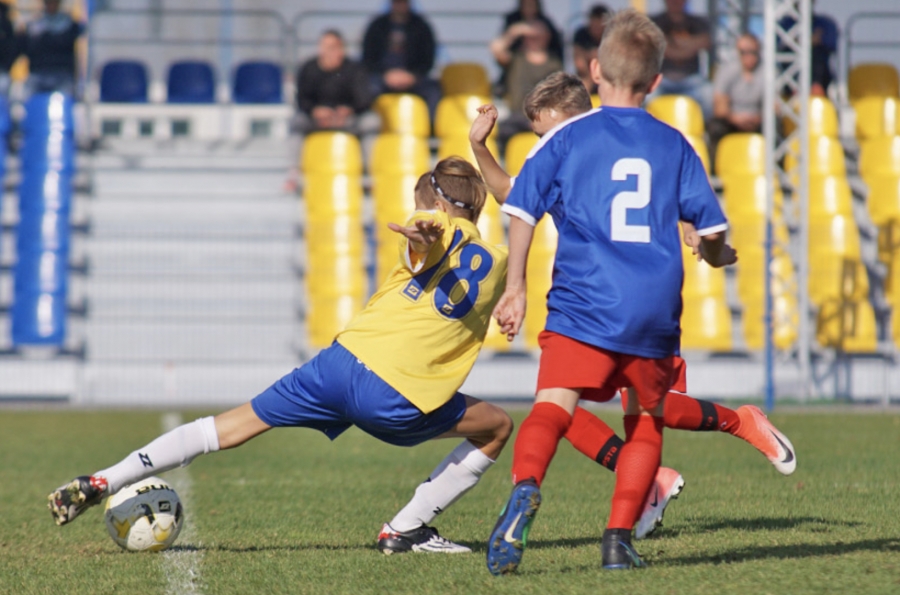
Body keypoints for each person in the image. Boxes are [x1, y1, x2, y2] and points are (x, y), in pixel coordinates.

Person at [49, 157, 514, 556]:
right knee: (496, 426)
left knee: (228, 427)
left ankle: (105, 479)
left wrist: (422, 234)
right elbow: (453, 234)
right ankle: (405, 530)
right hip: (394, 393)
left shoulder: (432, 227)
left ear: (429, 204)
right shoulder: (497, 261)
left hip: (338, 363)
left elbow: (425, 239)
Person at [470, 71, 796, 540]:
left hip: (642, 298)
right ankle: (641, 490)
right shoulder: (566, 152)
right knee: (561, 408)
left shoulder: (624, 143)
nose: (543, 141)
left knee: (649, 410)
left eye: (546, 130)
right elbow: (513, 193)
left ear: (572, 116)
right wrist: (481, 148)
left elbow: (666, 187)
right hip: (591, 301)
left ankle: (737, 423)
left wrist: (689, 224)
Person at [485, 10, 738, 575]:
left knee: (552, 405)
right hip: (651, 306)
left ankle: (526, 487)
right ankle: (617, 540)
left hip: (582, 299)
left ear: (594, 70)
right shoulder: (674, 143)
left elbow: (521, 206)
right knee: (646, 418)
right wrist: (719, 255)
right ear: (655, 81)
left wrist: (518, 288)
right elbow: (714, 234)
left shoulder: (567, 136)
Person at [285, 30, 380, 193]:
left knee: (371, 122)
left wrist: (348, 110)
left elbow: (364, 98)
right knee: (296, 122)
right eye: (326, 47)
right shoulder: (308, 68)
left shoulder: (355, 69)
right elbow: (301, 100)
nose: (330, 52)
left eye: (334, 47)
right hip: (316, 120)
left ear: (342, 49)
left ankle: (367, 174)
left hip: (348, 119)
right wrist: (315, 111)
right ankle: (294, 174)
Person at [361, 0, 441, 121]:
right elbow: (368, 59)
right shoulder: (377, 26)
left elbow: (428, 60)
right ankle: (371, 129)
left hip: (413, 78)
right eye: (397, 2)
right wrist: (385, 75)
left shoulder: (421, 26)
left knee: (434, 91)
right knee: (365, 89)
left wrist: (413, 76)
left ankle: (430, 131)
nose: (400, 5)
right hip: (382, 78)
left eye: (403, 2)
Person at [489, 19, 562, 148]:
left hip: (543, 118)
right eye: (529, 37)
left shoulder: (554, 64)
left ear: (547, 37)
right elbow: (496, 49)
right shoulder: (516, 59)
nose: (533, 40)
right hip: (516, 117)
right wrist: (514, 31)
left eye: (537, 36)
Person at [707, 33, 764, 173]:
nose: (748, 56)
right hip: (732, 119)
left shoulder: (768, 72)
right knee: (715, 127)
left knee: (775, 126)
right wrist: (734, 118)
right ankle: (714, 173)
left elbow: (775, 106)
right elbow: (719, 105)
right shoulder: (727, 70)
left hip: (758, 119)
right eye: (743, 52)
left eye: (752, 52)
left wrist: (757, 118)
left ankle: (776, 171)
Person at [649, 0, 712, 119]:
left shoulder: (698, 21)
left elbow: (705, 41)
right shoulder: (655, 21)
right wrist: (690, 45)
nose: (675, 2)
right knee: (646, 96)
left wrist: (670, 45)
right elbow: (653, 42)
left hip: (692, 80)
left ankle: (707, 133)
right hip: (661, 79)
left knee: (708, 94)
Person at [18, 0, 85, 98]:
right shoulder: (33, 26)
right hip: (38, 74)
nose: (51, 5)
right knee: (27, 97)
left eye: (54, 2)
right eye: (48, 2)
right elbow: (25, 50)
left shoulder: (70, 25)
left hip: (62, 74)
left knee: (66, 96)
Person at [779, 1, 838, 97]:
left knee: (816, 53)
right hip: (789, 77)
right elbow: (780, 46)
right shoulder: (784, 24)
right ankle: (795, 90)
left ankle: (816, 88)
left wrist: (799, 41)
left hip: (820, 75)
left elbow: (830, 44)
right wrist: (810, 40)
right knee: (790, 54)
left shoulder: (825, 23)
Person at [572, 4, 611, 94]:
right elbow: (579, 62)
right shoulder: (581, 34)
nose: (597, 28)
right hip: (587, 76)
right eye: (594, 24)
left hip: (607, 77)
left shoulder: (611, 35)